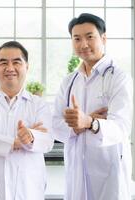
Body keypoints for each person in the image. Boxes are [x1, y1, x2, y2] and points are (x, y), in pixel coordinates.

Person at [52, 13, 133, 200]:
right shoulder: (69, 81)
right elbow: (55, 124)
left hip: (109, 170)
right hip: (76, 171)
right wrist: (79, 126)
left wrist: (89, 122)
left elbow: (121, 127)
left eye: (90, 37)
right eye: (77, 38)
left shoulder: (118, 78)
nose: (84, 44)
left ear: (103, 38)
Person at [0, 41, 54, 200]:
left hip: (28, 191)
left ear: (27, 66)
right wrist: (16, 142)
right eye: (3, 62)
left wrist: (31, 137)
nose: (10, 68)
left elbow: (47, 140)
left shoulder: (38, 104)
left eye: (16, 62)